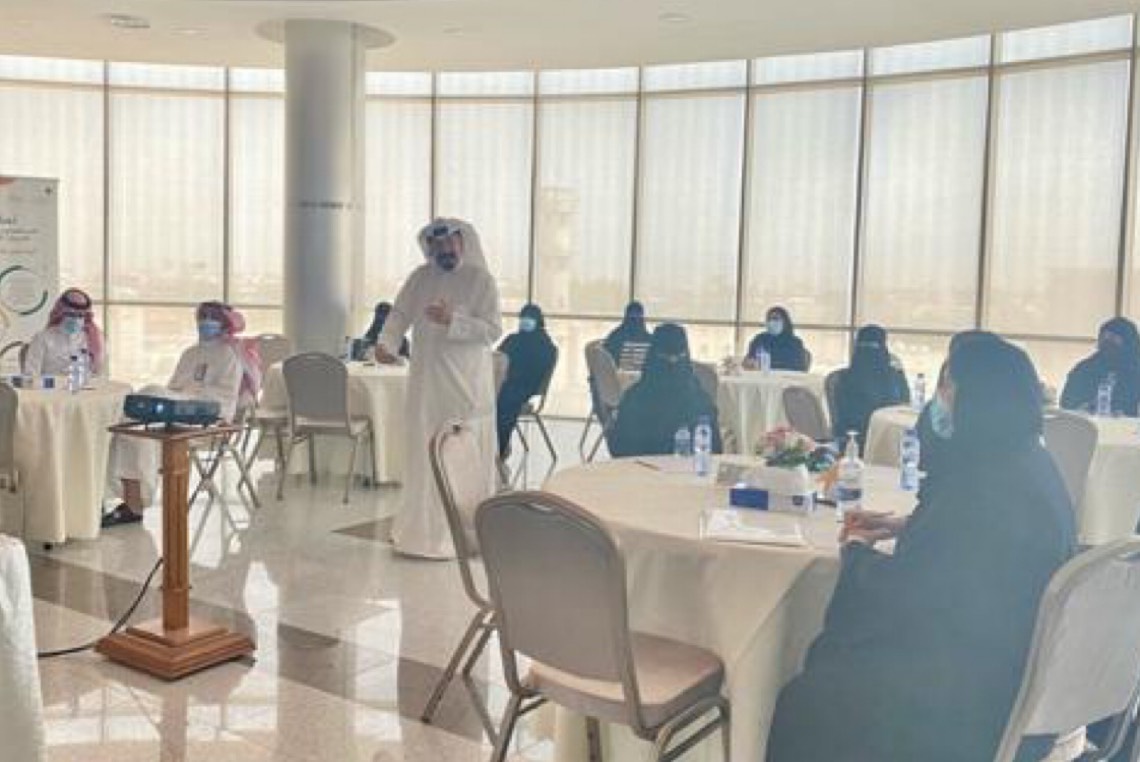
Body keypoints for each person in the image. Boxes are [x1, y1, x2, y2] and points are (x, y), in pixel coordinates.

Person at [766, 333, 1076, 762]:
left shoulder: (981, 485)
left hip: (969, 703)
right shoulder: (1026, 462)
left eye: (948, 386)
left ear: (978, 398)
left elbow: (912, 595)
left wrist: (856, 553)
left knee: (806, 699)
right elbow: (976, 548)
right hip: (1017, 675)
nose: (939, 398)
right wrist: (909, 525)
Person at [375, 218, 502, 559]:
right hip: (426, 385)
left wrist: (452, 321)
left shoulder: (481, 280)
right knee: (424, 453)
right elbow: (399, 315)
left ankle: (466, 536)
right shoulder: (420, 278)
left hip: (466, 389)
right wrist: (386, 343)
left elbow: (492, 331)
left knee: (461, 458)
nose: (444, 250)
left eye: (449, 243)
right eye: (437, 245)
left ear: (462, 243)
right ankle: (421, 533)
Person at [102, 302, 260, 528]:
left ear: (224, 324)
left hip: (209, 417)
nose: (206, 322)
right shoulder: (190, 353)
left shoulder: (230, 354)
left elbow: (225, 399)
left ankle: (136, 503)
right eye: (202, 316)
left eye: (212, 317)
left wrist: (186, 397)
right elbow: (174, 388)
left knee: (149, 401)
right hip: (178, 409)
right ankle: (130, 500)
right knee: (130, 426)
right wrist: (177, 397)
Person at [609, 323, 722, 457]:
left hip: (670, 468)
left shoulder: (634, 398)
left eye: (679, 357)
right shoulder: (701, 402)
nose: (673, 362)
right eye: (665, 357)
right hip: (657, 467)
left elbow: (714, 449)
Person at [496, 304, 557, 458]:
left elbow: (538, 373)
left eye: (529, 318)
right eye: (523, 318)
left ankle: (499, 447)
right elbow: (496, 359)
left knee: (504, 401)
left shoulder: (546, 345)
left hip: (526, 386)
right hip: (504, 382)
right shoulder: (512, 339)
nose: (525, 321)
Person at [831, 325, 909, 445]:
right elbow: (904, 401)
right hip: (882, 439)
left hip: (850, 441)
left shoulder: (842, 377)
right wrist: (899, 373)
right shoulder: (890, 376)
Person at [1061, 317, 1140, 417]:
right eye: (1104, 337)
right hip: (1090, 424)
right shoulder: (1085, 368)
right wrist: (1084, 407)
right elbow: (1066, 402)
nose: (1107, 339)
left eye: (1113, 337)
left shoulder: (1136, 370)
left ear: (1128, 342)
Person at [22, 288, 105, 377]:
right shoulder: (42, 338)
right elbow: (31, 374)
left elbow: (100, 375)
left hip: (85, 385)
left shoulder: (94, 340)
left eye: (80, 315)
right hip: (50, 385)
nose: (76, 319)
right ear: (60, 314)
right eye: (71, 314)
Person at [745, 306, 809, 371]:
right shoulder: (759, 339)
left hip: (787, 376)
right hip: (762, 375)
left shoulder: (795, 342)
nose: (771, 322)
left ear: (785, 322)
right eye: (768, 319)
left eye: (775, 318)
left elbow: (799, 367)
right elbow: (749, 359)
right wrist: (749, 363)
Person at [603, 301, 652, 368]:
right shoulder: (616, 337)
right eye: (632, 318)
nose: (636, 320)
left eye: (638, 316)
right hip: (619, 371)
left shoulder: (647, 337)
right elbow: (607, 358)